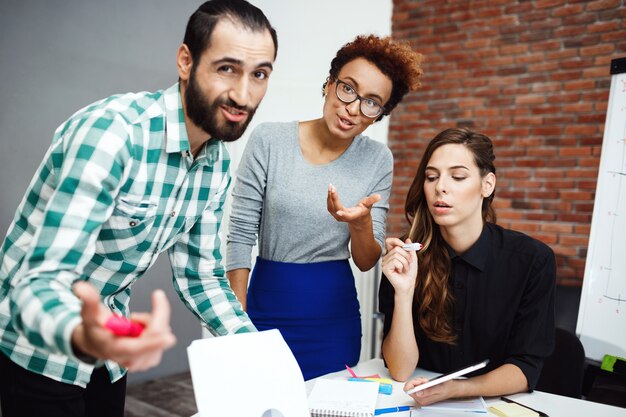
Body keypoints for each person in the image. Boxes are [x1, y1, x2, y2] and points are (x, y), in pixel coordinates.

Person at [0, 1, 277, 416]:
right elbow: (40, 280)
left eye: (259, 75)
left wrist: (255, 349)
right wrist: (85, 335)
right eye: (226, 68)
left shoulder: (217, 160)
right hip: (39, 344)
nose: (243, 94)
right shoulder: (112, 135)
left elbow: (201, 275)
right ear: (186, 61)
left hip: (112, 347)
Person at [226, 35, 423, 380]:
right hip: (266, 305)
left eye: (371, 103)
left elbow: (365, 261)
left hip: (333, 317)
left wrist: (359, 223)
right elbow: (240, 235)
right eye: (348, 89)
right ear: (329, 84)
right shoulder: (269, 140)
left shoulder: (377, 159)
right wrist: (237, 322)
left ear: (380, 115)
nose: (352, 108)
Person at [379, 128, 556, 405]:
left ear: (487, 185)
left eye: (458, 176)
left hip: (497, 405)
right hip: (416, 406)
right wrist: (403, 293)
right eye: (431, 177)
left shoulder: (532, 260)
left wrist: (455, 389)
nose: (441, 187)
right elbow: (401, 370)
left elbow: (525, 370)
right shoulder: (406, 256)